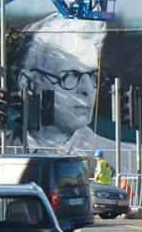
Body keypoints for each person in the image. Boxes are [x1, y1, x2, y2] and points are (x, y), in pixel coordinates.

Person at [9, 14, 108, 153]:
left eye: (93, 76)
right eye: (71, 76)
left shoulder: (120, 159)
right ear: (28, 83)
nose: (88, 89)